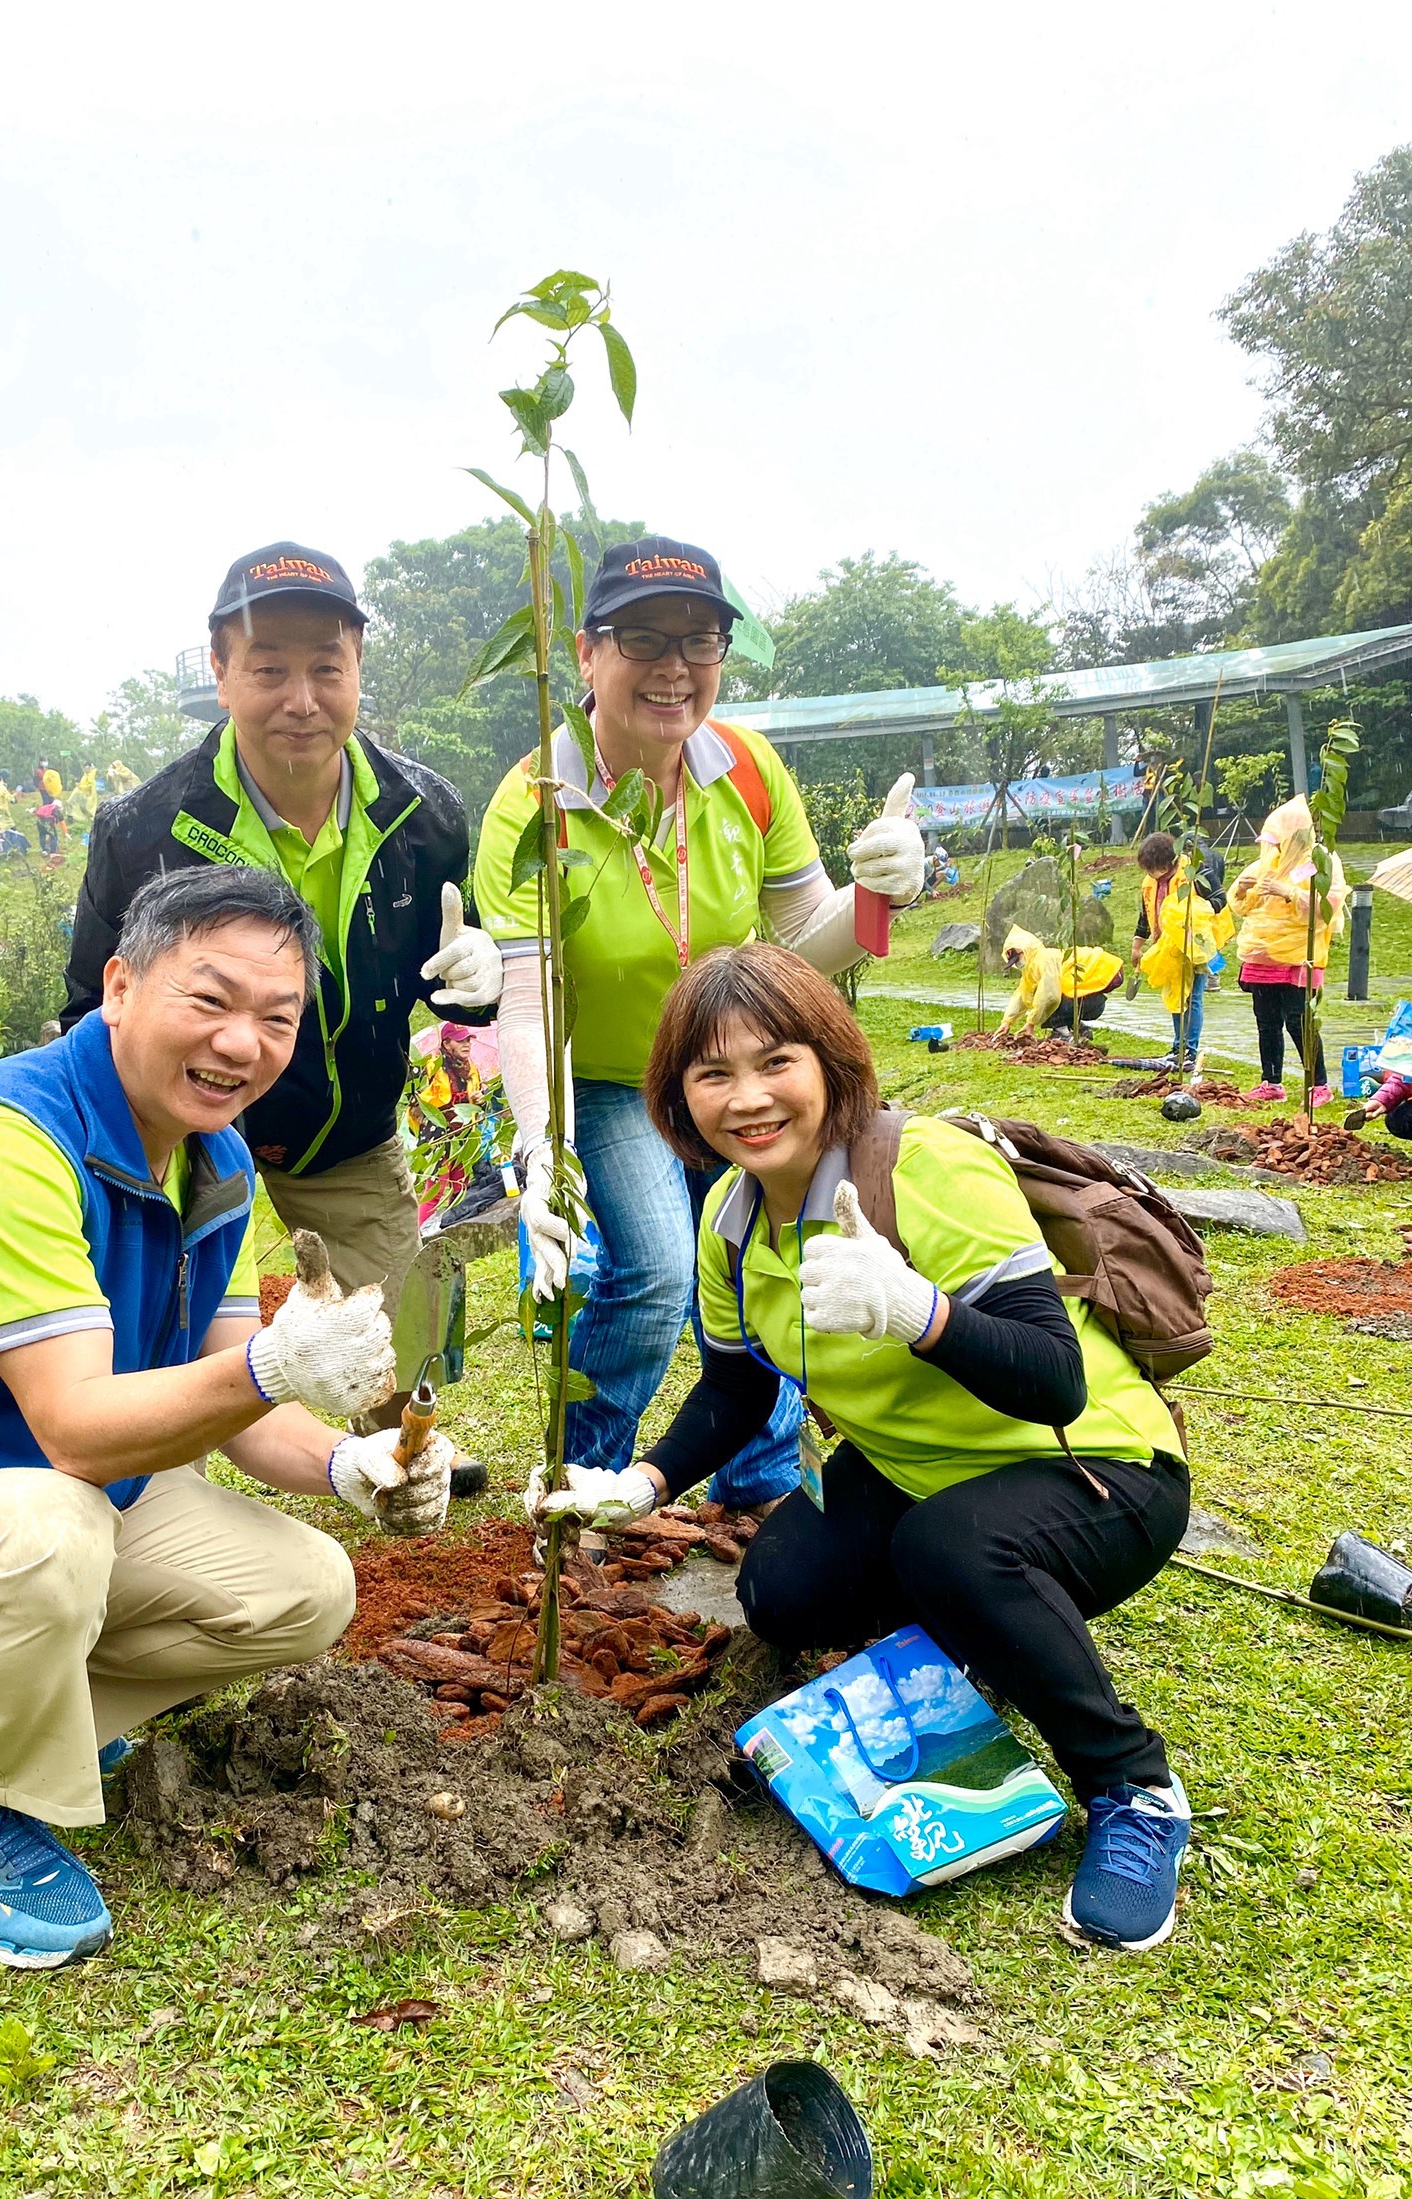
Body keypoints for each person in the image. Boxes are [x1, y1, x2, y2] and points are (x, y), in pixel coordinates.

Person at [0, 867, 457, 1971]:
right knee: (46, 1525)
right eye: (209, 1000)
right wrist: (277, 1362)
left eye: (277, 1018)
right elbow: (77, 1428)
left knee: (304, 1588)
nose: (242, 1043)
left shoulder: (212, 1159)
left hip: (55, 1507)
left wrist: (351, 1460)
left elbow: (234, 1407)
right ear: (118, 985)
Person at [534, 940, 1194, 1951]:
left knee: (955, 1550)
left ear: (830, 1064)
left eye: (774, 1062)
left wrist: (915, 1310)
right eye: (712, 1074)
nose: (746, 1098)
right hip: (914, 1468)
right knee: (783, 1591)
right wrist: (643, 1480)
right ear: (678, 1096)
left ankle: (1133, 1789)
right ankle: (980, 1651)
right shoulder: (730, 1217)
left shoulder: (926, 1169)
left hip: (1091, 1470)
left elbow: (1052, 1377)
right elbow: (736, 1386)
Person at [473, 536, 925, 1511]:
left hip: (727, 1075)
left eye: (701, 638)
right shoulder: (535, 802)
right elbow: (528, 991)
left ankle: (759, 1482)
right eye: (643, 637)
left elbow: (801, 941)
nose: (675, 666)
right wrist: (542, 1145)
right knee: (656, 1274)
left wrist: (875, 891)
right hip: (606, 1081)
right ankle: (582, 1481)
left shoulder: (749, 772)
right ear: (588, 655)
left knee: (761, 1261)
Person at [62, 541, 502, 1485]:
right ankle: (144, 1463)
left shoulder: (423, 814)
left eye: (324, 669)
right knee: (148, 1313)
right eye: (268, 669)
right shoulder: (144, 830)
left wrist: (481, 976)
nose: (299, 700)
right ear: (220, 673)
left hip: (343, 1128)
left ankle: (402, 1454)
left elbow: (452, 981)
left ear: (357, 675)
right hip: (176, 1134)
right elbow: (83, 1007)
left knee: (401, 1328)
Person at [1228, 795, 1347, 1105]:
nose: (1276, 848)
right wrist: (1241, 889)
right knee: (1266, 1020)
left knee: (1299, 1019)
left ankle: (1318, 1083)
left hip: (1300, 954)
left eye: (1281, 841)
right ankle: (1271, 1081)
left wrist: (1290, 893)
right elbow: (1242, 904)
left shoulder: (1319, 862)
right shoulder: (1268, 863)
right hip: (1262, 954)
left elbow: (1327, 907)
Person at [1130, 832, 1226, 1066]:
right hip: (1167, 948)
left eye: (1154, 868)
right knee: (1175, 995)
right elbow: (1146, 914)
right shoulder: (1151, 883)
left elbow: (1220, 899)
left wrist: (1194, 913)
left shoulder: (1194, 871)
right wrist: (1137, 946)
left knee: (1192, 996)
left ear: (1168, 861)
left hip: (1195, 944)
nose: (1152, 873)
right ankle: (1178, 1047)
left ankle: (1189, 1051)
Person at [993, 925, 1123, 1037]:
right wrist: (1007, 1022)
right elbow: (1022, 995)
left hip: (1097, 993)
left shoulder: (1045, 960)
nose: (1018, 963)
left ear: (1026, 950)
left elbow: (1049, 996)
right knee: (1047, 1004)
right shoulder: (1032, 966)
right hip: (1090, 996)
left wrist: (1031, 1023)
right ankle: (1078, 1029)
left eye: (1018, 958)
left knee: (1049, 1007)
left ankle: (1063, 1034)